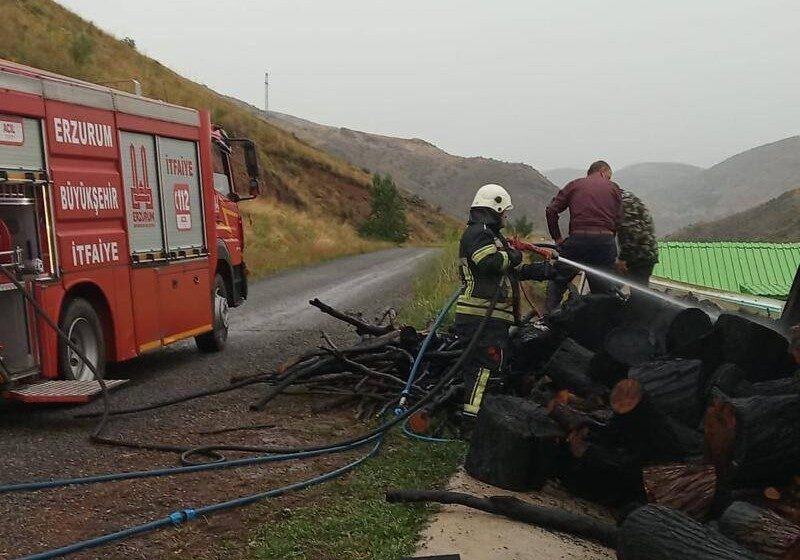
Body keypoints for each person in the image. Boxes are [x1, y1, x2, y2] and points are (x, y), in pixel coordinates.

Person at [455, 183, 553, 419]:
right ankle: (472, 419)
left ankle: (484, 416)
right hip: (480, 315)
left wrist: (547, 271)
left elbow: (511, 271)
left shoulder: (489, 235)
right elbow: (490, 262)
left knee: (492, 366)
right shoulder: (479, 233)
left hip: (489, 317)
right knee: (482, 368)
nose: (506, 216)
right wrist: (515, 253)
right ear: (494, 208)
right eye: (504, 211)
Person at [544, 160, 622, 312]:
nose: (609, 180)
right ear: (603, 171)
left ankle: (546, 321)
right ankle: (598, 329)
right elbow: (619, 219)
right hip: (604, 244)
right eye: (609, 176)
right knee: (604, 293)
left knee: (557, 283)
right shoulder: (614, 188)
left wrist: (558, 238)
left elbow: (551, 211)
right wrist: (608, 239)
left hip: (578, 241)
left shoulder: (575, 185)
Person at [616, 188, 659, 285]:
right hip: (643, 252)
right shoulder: (627, 198)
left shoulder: (625, 202)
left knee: (638, 294)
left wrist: (623, 259)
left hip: (640, 255)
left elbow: (631, 231)